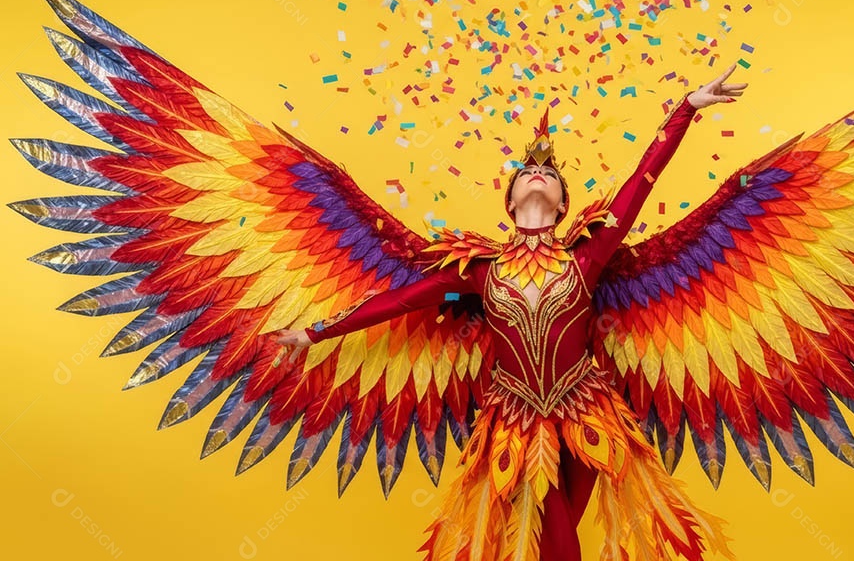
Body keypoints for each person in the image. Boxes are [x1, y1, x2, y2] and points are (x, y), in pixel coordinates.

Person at [275, 64, 747, 561]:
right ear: (510, 200)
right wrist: (315, 333)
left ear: (562, 205)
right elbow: (401, 301)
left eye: (551, 174)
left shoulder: (587, 255)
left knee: (557, 538)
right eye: (526, 172)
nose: (538, 172)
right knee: (555, 541)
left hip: (588, 411)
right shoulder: (480, 271)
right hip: (516, 421)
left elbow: (640, 184)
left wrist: (687, 109)